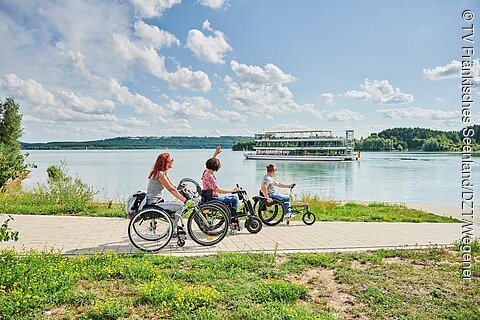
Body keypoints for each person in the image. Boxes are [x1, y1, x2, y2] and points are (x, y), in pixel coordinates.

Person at [146, 153, 194, 233]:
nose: (172, 162)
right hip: (154, 203)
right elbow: (171, 189)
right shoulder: (160, 174)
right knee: (180, 206)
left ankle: (172, 225)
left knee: (177, 204)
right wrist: (185, 201)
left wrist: (182, 190)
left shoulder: (162, 173)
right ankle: (172, 230)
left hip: (157, 201)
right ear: (166, 162)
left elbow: (173, 187)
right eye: (171, 160)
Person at [201, 146, 240, 225]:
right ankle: (233, 220)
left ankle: (229, 218)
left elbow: (211, 163)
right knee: (234, 199)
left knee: (229, 201)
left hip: (208, 197)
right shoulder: (210, 177)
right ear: (216, 167)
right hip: (214, 198)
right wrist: (233, 191)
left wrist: (215, 154)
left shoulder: (206, 172)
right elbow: (218, 190)